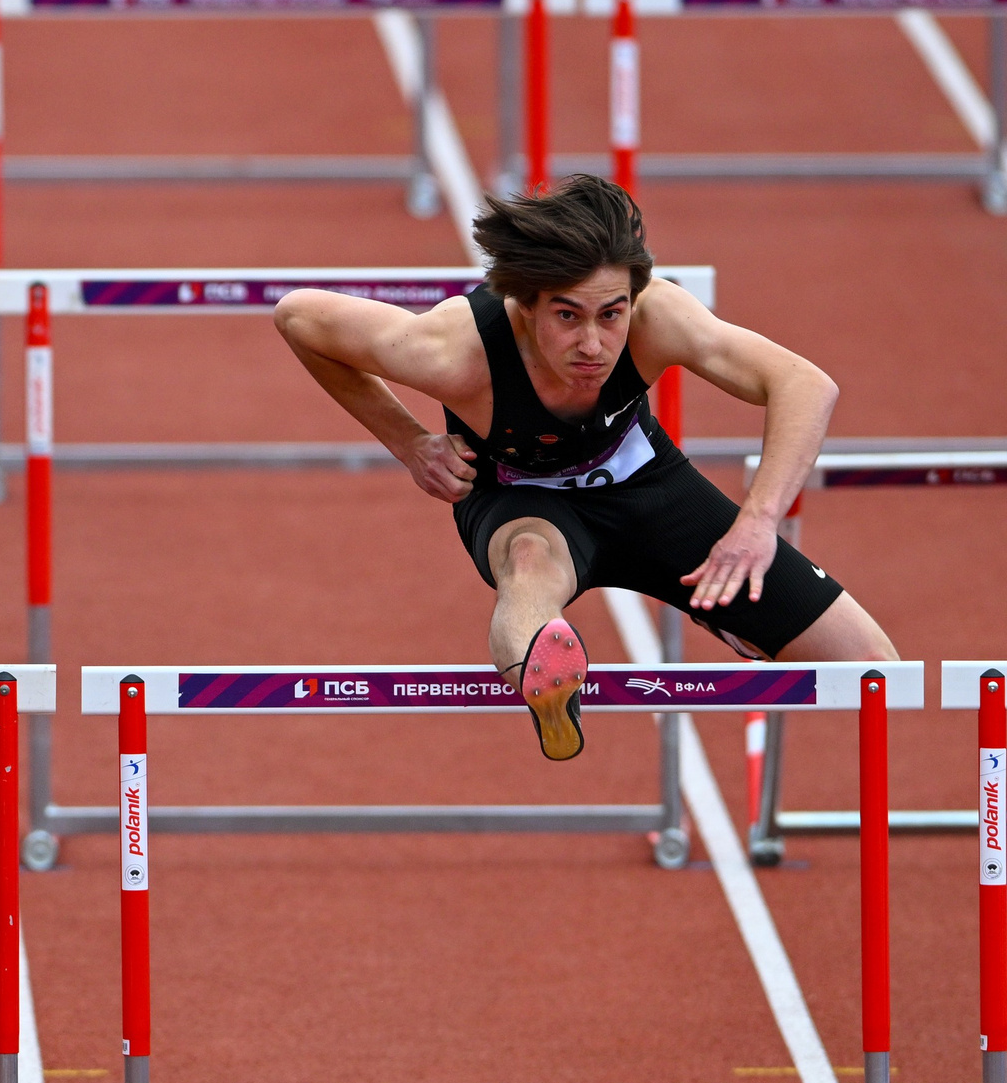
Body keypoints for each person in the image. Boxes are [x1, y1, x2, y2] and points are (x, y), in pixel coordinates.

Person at [272, 174, 894, 759]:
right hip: (522, 500)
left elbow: (805, 384)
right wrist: (409, 442)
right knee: (529, 566)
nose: (594, 345)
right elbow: (299, 316)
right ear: (523, 306)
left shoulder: (659, 315)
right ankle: (544, 672)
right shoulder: (450, 351)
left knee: (872, 668)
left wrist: (758, 522)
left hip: (649, 488)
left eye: (611, 314)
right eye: (567, 317)